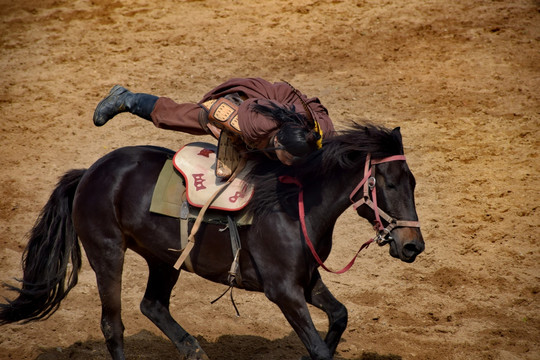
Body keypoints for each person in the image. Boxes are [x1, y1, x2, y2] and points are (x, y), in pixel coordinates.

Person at [93, 77, 334, 166]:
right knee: (193, 117)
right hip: (249, 103)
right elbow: (217, 111)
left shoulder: (321, 134)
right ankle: (126, 99)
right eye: (287, 159)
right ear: (277, 141)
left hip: (278, 108)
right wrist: (241, 142)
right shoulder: (260, 124)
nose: (290, 164)